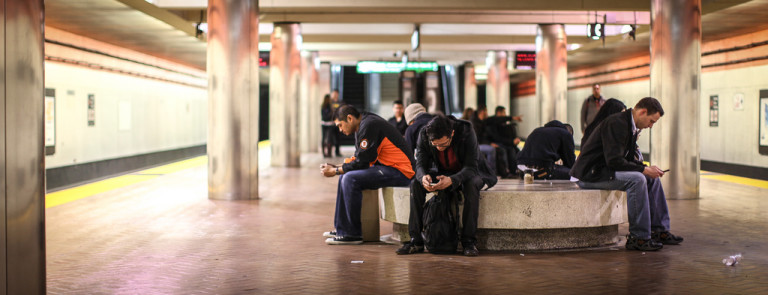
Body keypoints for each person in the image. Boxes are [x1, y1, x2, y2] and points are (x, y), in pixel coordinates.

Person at [570, 97, 684, 251]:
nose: (650, 126)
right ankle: (639, 237)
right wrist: (643, 170)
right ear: (642, 112)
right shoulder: (616, 123)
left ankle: (659, 230)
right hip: (590, 175)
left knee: (652, 179)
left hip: (603, 172)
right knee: (637, 180)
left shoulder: (629, 125)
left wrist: (647, 168)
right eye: (651, 121)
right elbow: (615, 161)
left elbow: (626, 159)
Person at [396, 115, 491, 256]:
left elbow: (471, 167)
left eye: (444, 144)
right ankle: (416, 241)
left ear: (452, 133)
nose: (440, 148)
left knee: (471, 187)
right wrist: (423, 177)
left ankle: (469, 242)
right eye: (435, 145)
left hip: (471, 173)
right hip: (443, 172)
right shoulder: (424, 133)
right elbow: (420, 164)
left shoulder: (466, 131)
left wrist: (453, 180)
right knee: (415, 184)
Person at [320, 105, 415, 245]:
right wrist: (336, 167)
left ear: (349, 118)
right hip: (388, 167)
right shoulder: (363, 125)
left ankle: (352, 234)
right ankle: (342, 229)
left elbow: (363, 162)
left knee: (349, 178)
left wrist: (335, 171)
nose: (340, 130)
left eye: (340, 125)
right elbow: (360, 157)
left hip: (402, 171)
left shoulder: (368, 125)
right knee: (343, 176)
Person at [485, 106, 521, 177]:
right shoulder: (492, 122)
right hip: (495, 142)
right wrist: (511, 141)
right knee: (504, 150)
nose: (505, 115)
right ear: (499, 113)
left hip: (503, 142)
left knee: (513, 149)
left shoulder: (503, 124)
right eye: (504, 112)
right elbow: (497, 138)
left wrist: (513, 141)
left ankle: (514, 171)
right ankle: (505, 172)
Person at [470, 106, 503, 177]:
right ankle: (491, 172)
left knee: (499, 148)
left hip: (482, 143)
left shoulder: (483, 122)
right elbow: (477, 139)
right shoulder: (474, 123)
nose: (487, 113)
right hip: (475, 145)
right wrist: (490, 144)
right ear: (482, 112)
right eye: (486, 111)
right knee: (491, 150)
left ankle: (500, 171)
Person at [330, 89, 343, 157]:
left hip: (339, 122)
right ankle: (330, 151)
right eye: (334, 93)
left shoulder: (340, 102)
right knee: (331, 138)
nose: (335, 95)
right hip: (331, 123)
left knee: (338, 138)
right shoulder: (330, 102)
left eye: (336, 93)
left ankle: (337, 152)